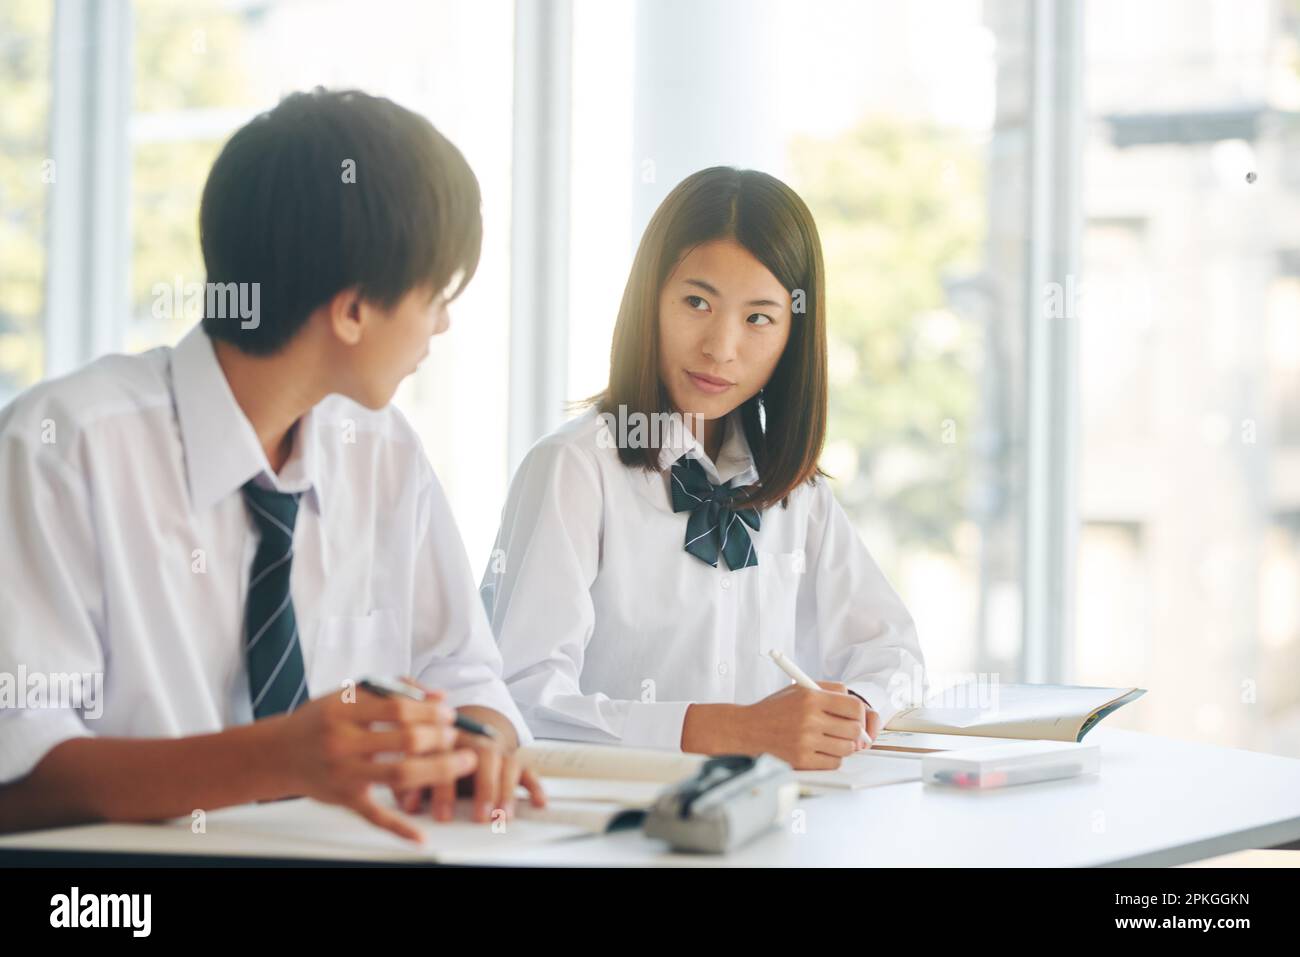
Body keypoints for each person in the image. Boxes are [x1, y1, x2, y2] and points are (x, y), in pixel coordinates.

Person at [0, 88, 543, 841]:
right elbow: (19, 772)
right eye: (436, 294)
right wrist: (281, 757)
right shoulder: (64, 446)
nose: (443, 323)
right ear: (352, 311)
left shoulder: (384, 452)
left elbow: (468, 676)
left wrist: (476, 744)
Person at [481, 166, 925, 770]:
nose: (721, 347)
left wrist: (854, 709)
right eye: (697, 302)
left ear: (795, 333)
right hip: (607, 832)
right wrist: (727, 729)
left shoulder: (797, 493)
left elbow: (893, 651)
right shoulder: (574, 469)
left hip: (760, 825)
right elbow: (518, 700)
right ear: (649, 300)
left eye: (758, 318)